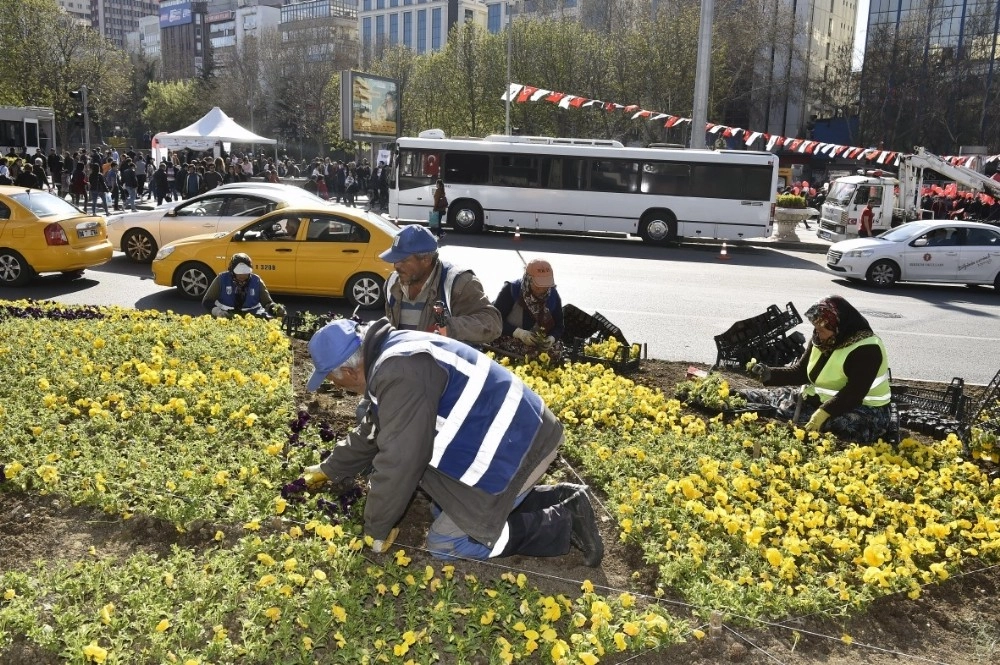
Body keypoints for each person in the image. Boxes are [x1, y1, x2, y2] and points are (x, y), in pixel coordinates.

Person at [300, 318, 604, 566]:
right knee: (444, 510)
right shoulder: (390, 354)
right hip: (515, 435)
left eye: (331, 378)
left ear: (350, 371)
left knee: (447, 542)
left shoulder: (399, 373)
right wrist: (330, 469)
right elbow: (376, 430)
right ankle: (558, 498)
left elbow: (401, 460)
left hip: (519, 448)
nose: (331, 384)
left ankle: (564, 523)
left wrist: (375, 529)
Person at [741, 295, 891, 444]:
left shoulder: (867, 349)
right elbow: (800, 372)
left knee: (840, 427)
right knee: (758, 399)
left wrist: (823, 413)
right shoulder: (823, 339)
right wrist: (767, 374)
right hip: (822, 402)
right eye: (815, 328)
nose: (817, 332)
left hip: (865, 409)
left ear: (837, 326)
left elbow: (853, 394)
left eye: (821, 328)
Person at [381, 225, 501, 344]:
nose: (396, 265)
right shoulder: (393, 283)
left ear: (426, 260)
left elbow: (492, 323)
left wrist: (446, 329)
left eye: (403, 260)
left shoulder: (459, 283)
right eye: (395, 259)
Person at [491, 259, 565, 360]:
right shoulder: (511, 289)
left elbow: (559, 326)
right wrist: (519, 333)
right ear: (528, 279)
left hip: (537, 340)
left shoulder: (552, 295)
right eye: (538, 284)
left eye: (546, 284)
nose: (542, 288)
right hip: (507, 336)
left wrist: (552, 338)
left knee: (555, 350)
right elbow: (494, 321)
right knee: (532, 353)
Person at [201, 253, 285, 319]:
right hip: (226, 316)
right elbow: (207, 301)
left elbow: (267, 303)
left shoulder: (256, 280)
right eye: (239, 275)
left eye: (245, 275)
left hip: (252, 318)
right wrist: (218, 312)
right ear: (232, 272)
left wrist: (276, 309)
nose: (242, 278)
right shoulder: (221, 279)